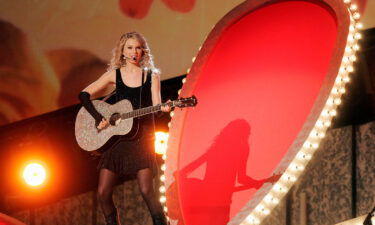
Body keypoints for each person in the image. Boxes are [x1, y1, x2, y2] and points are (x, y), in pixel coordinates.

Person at [78, 32, 170, 225]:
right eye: (130, 47)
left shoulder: (152, 75)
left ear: (143, 50)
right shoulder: (114, 74)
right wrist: (98, 118)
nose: (134, 52)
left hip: (142, 138)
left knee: (146, 190)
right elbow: (84, 95)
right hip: (117, 138)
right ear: (123, 51)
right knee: (103, 193)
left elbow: (157, 108)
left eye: (138, 47)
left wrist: (164, 108)